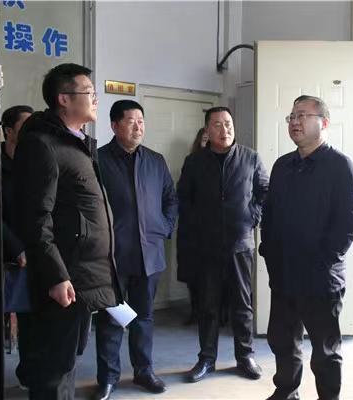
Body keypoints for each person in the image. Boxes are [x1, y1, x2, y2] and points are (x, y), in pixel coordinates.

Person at [13, 63, 121, 400]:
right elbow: (35, 219)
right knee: (53, 370)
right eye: (89, 92)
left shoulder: (77, 144)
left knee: (66, 363)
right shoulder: (43, 145)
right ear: (64, 98)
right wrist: (56, 277)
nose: (95, 99)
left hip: (82, 276)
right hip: (64, 279)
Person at [260, 95, 353, 400]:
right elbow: (269, 214)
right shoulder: (282, 165)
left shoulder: (340, 166)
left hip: (320, 277)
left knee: (325, 349)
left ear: (324, 123)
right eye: (292, 116)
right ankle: (286, 391)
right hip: (284, 274)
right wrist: (270, 252)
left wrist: (324, 259)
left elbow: (350, 220)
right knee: (282, 340)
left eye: (302, 115)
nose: (295, 122)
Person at [94, 100, 178, 399]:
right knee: (111, 319)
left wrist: (164, 227)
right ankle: (108, 378)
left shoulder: (155, 160)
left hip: (149, 254)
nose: (138, 126)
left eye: (141, 121)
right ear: (114, 125)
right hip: (112, 257)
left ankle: (144, 371)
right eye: (131, 121)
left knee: (144, 317)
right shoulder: (98, 160)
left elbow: (170, 198)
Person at [177, 106, 268, 383]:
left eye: (228, 123)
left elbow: (264, 193)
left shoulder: (251, 158)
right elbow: (183, 198)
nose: (224, 129)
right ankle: (206, 359)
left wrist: (251, 217)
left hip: (240, 244)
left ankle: (245, 356)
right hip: (206, 247)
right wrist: (198, 224)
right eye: (217, 124)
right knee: (208, 305)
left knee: (242, 304)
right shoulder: (195, 162)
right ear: (207, 130)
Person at [1, 105, 34, 388]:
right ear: (9, 131)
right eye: (26, 127)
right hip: (6, 252)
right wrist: (15, 247)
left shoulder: (36, 161)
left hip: (35, 251)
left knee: (30, 318)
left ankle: (28, 373)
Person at [180, 127, 208, 325]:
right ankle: (195, 311)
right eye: (205, 139)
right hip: (194, 230)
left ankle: (218, 314)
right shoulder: (191, 162)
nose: (208, 143)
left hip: (217, 231)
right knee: (194, 275)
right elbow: (182, 194)